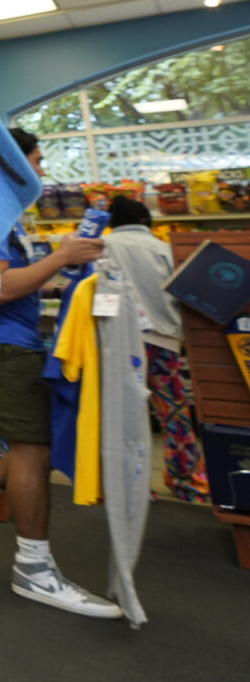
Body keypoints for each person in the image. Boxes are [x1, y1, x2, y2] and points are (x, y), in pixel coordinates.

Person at [0, 127, 120, 618]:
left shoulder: (7, 215)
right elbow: (0, 288)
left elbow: (16, 283)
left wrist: (62, 269)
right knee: (34, 447)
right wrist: (61, 257)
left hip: (13, 341)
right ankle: (33, 569)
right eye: (36, 159)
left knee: (40, 440)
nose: (42, 169)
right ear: (10, 161)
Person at [104, 194, 209, 502]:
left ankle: (133, 486)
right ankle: (189, 485)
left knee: (125, 417)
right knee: (174, 414)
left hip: (120, 346)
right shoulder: (164, 249)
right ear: (144, 222)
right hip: (162, 343)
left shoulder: (102, 248)